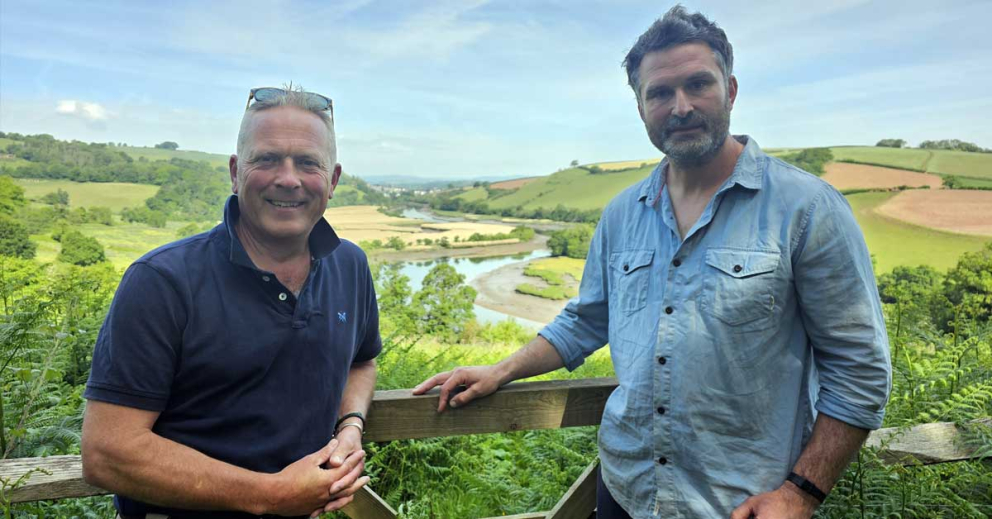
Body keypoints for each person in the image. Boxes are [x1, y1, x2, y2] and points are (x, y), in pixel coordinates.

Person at [414, 6, 890, 519]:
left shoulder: (807, 208)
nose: (680, 107)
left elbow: (858, 369)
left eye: (697, 85)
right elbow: (587, 318)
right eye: (659, 93)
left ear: (730, 90)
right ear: (641, 108)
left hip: (740, 504)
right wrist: (500, 370)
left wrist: (800, 493)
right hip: (626, 490)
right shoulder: (622, 213)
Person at [81, 86, 381, 519]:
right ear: (236, 171)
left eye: (308, 163)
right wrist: (272, 496)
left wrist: (350, 426)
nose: (288, 178)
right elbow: (108, 452)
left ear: (332, 180)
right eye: (267, 159)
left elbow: (362, 361)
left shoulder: (349, 264)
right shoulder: (163, 281)